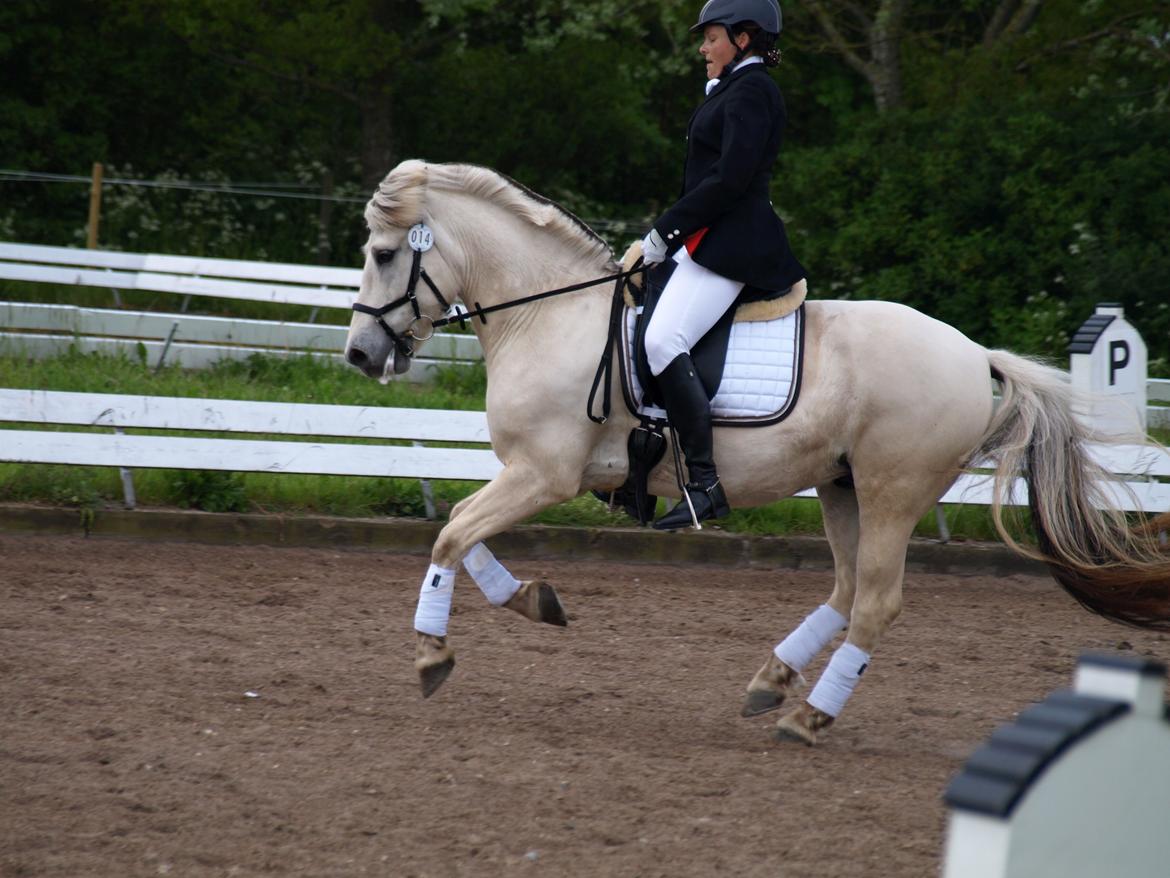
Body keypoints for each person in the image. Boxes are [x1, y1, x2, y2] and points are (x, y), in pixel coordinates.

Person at [641, 0, 806, 531]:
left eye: (710, 37)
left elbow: (731, 180)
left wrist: (666, 230)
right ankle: (634, 476)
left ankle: (705, 484)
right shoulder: (736, 89)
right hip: (709, 240)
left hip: (735, 244)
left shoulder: (754, 90)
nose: (702, 47)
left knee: (663, 341)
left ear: (743, 38)